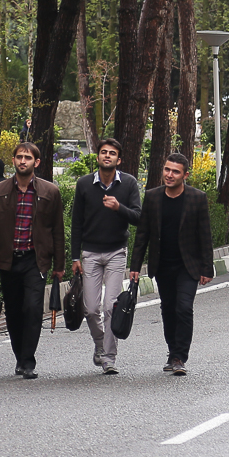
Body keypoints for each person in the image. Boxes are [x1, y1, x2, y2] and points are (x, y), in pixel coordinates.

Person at [0, 142, 65, 379]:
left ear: (36, 162)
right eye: (19, 157)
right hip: (8, 260)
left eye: (27, 158)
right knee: (14, 311)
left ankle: (28, 360)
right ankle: (19, 356)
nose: (22, 161)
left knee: (32, 308)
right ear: (13, 160)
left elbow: (57, 231)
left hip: (35, 260)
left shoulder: (50, 191)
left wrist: (59, 265)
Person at [130, 153, 214, 375]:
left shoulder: (197, 198)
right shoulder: (152, 197)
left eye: (175, 171)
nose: (169, 174)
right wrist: (135, 266)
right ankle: (172, 351)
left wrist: (207, 267)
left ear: (185, 175)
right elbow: (143, 234)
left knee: (183, 308)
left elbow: (205, 235)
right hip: (162, 265)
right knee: (168, 308)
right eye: (167, 170)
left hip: (188, 265)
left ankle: (179, 357)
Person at [71, 137, 142, 374]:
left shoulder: (128, 183)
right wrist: (75, 257)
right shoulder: (84, 184)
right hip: (90, 252)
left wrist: (118, 207)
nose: (107, 156)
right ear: (98, 156)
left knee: (111, 306)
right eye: (104, 152)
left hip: (116, 252)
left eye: (112, 153)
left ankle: (109, 358)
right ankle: (100, 344)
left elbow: (138, 217)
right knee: (91, 309)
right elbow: (76, 223)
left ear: (118, 160)